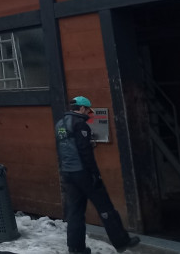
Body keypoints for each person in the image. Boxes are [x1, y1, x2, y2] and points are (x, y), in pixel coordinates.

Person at [55, 95, 141, 254]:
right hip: (84, 173)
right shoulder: (80, 124)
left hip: (68, 173)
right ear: (81, 108)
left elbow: (65, 148)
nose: (88, 113)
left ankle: (75, 248)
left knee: (75, 212)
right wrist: (96, 175)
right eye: (88, 110)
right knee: (105, 207)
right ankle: (122, 241)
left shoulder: (60, 124)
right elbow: (85, 153)